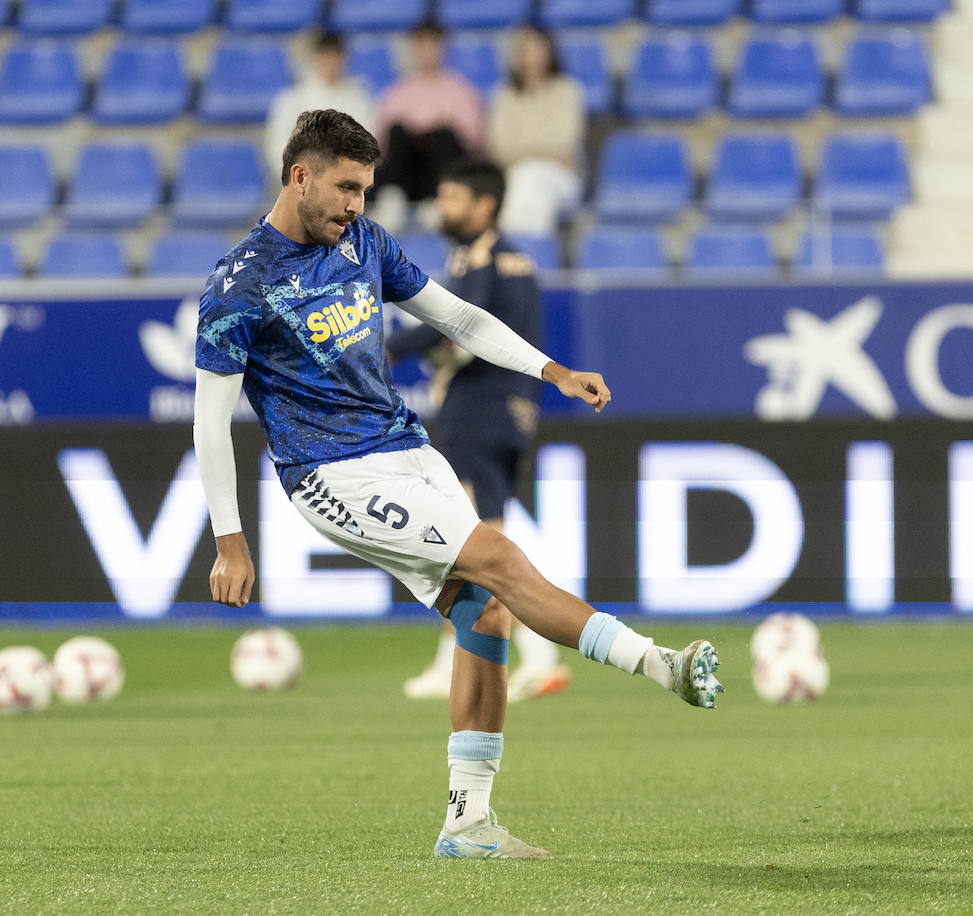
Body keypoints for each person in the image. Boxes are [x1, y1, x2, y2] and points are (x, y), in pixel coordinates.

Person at [193, 109, 723, 860]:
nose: (357, 205)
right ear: (300, 176)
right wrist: (229, 540)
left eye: (367, 190)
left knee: (485, 613)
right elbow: (210, 422)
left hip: (408, 449)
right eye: (345, 188)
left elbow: (459, 319)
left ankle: (468, 824)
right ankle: (658, 664)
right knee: (499, 559)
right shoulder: (240, 284)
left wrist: (552, 370)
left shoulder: (366, 243)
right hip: (331, 471)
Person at [387, 161, 569, 703]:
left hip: (478, 412)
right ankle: (466, 657)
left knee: (470, 545)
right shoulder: (514, 258)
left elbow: (460, 322)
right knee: (477, 540)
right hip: (509, 413)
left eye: (452, 196)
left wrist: (387, 350)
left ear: (484, 205)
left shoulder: (482, 256)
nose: (443, 206)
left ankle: (538, 655)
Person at [486, 27, 586, 238]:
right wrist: (543, 150)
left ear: (549, 54)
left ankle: (508, 252)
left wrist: (521, 151)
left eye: (536, 50)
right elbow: (499, 147)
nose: (530, 58)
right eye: (525, 50)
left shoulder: (567, 91)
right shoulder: (504, 95)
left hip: (562, 177)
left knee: (528, 178)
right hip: (513, 178)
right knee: (531, 190)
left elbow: (564, 143)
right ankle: (530, 258)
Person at [373, 20, 484, 207]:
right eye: (421, 45)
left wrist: (436, 128)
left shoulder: (460, 90)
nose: (427, 52)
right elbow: (382, 142)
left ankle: (438, 200)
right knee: (397, 131)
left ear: (442, 48)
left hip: (442, 165)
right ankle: (393, 198)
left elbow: (473, 141)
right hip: (407, 168)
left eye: (432, 45)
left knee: (444, 136)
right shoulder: (397, 92)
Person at [263, 31, 373, 175]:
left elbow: (366, 146)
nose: (329, 62)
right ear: (314, 58)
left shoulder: (359, 99)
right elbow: (277, 148)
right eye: (324, 55)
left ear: (345, 58)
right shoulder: (292, 99)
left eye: (334, 56)